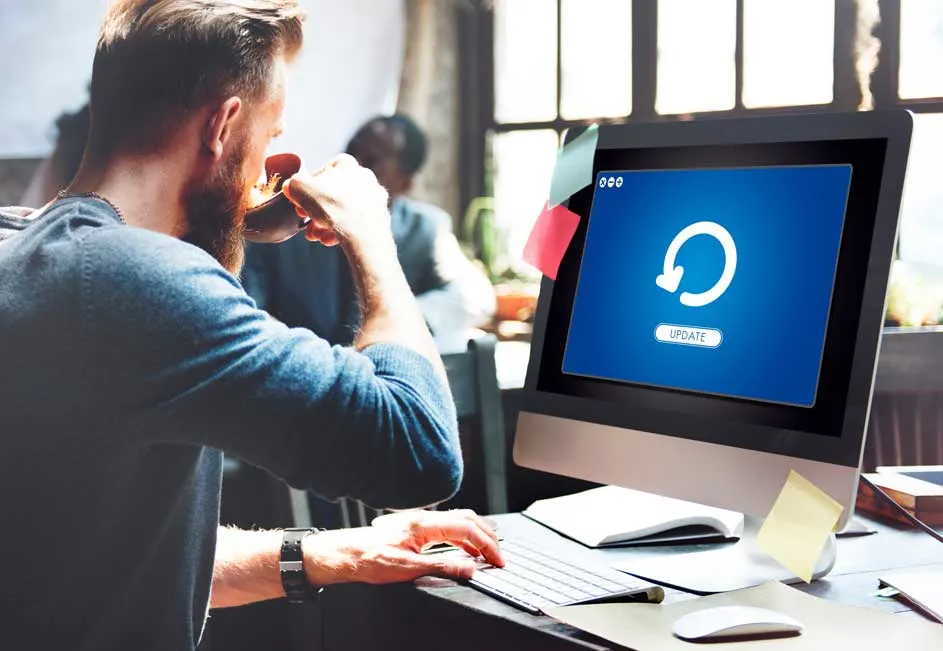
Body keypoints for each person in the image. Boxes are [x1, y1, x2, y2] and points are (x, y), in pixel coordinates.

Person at [0, 2, 503, 650]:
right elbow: (421, 449)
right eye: (270, 136)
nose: (268, 161)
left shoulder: (27, 247)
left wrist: (341, 552)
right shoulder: (134, 279)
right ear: (223, 125)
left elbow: (107, 562)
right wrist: (371, 235)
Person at [242, 114, 496, 353]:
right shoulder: (285, 223)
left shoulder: (425, 229)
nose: (354, 164)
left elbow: (475, 297)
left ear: (404, 183)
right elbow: (248, 308)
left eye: (372, 159)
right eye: (352, 149)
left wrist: (394, 323)